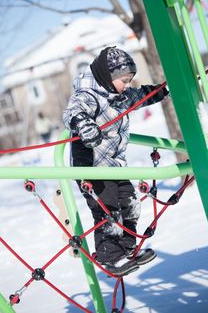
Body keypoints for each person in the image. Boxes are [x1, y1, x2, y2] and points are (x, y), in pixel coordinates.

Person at [63, 46, 169, 275]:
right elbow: (72, 112)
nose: (128, 85)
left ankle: (127, 250)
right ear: (108, 76)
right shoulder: (88, 96)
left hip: (114, 166)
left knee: (131, 206)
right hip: (92, 169)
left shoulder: (121, 96)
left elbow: (144, 96)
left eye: (129, 80)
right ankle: (110, 257)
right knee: (109, 213)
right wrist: (84, 125)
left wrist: (165, 90)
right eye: (124, 80)